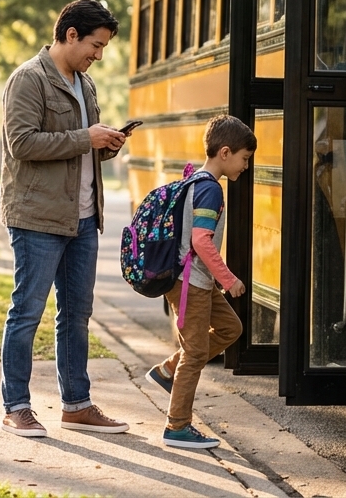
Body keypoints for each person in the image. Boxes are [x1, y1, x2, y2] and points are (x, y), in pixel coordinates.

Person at [0, 0, 131, 438]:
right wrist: (83, 138)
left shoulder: (85, 84)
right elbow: (22, 143)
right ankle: (16, 406)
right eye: (95, 45)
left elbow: (78, 148)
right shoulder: (27, 79)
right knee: (27, 312)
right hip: (37, 218)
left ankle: (76, 405)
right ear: (70, 34)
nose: (98, 54)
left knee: (76, 315)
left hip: (84, 218)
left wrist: (106, 143)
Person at [145, 115, 255, 449]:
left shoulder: (198, 181)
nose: (246, 166)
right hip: (191, 282)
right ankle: (177, 426)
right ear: (225, 152)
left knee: (230, 328)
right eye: (244, 158)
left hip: (196, 281)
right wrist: (229, 279)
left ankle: (167, 371)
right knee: (195, 354)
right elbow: (200, 241)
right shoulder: (209, 189)